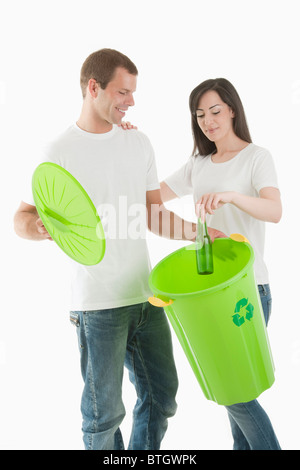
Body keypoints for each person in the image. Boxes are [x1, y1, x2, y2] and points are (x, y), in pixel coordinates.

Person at [14, 49, 223, 451]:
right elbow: (21, 218)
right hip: (96, 306)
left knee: (162, 397)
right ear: (94, 87)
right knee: (102, 418)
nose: (131, 102)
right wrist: (39, 228)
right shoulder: (58, 151)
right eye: (123, 92)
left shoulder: (138, 142)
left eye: (132, 93)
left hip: (147, 297)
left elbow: (153, 213)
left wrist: (201, 234)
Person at [160, 78, 282, 450]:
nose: (208, 121)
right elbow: (151, 199)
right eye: (200, 115)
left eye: (214, 111)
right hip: (206, 294)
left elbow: (274, 211)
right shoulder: (197, 164)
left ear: (232, 109)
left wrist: (231, 197)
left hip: (247, 288)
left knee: (234, 392)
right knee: (233, 391)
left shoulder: (256, 157)